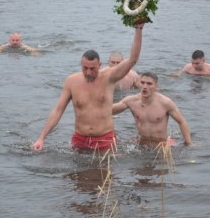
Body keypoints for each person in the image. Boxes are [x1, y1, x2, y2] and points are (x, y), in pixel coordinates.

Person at [32, 23, 146, 152]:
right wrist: (41, 138)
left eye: (92, 69)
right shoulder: (71, 81)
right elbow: (58, 111)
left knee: (105, 172)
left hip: (105, 139)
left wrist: (138, 29)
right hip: (80, 139)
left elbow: (133, 59)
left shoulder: (109, 77)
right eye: (85, 68)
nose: (88, 72)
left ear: (100, 65)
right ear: (81, 64)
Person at [112, 72, 192, 147]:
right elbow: (108, 111)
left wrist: (188, 143)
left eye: (149, 84)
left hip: (161, 143)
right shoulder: (131, 101)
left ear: (156, 86)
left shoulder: (165, 103)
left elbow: (182, 122)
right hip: (142, 142)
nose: (145, 87)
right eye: (142, 83)